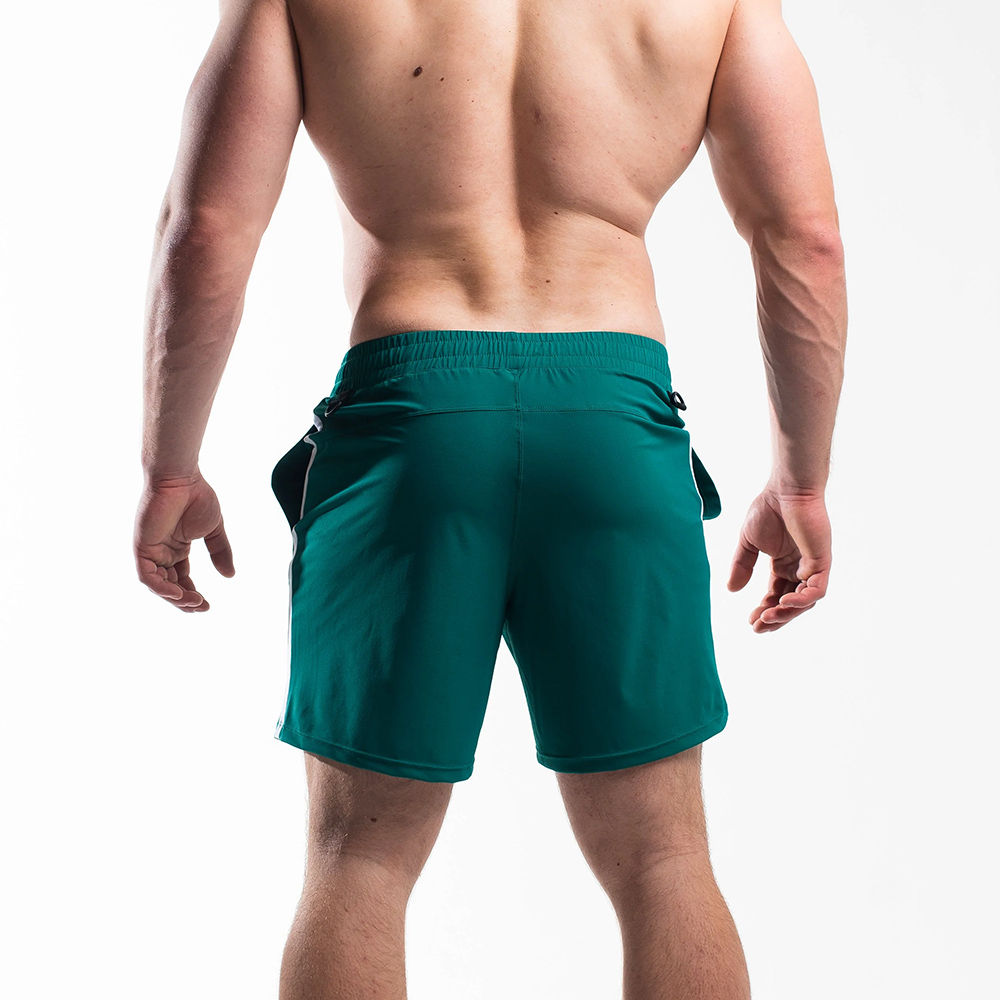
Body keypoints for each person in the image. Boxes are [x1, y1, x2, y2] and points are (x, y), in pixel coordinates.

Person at [133, 0, 847, 996]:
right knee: (663, 859)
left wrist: (170, 467)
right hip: (612, 423)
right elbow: (804, 237)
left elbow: (205, 231)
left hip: (408, 420)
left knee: (358, 860)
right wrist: (800, 478)